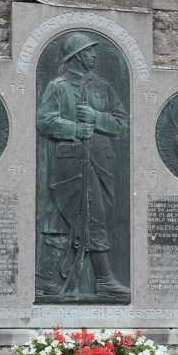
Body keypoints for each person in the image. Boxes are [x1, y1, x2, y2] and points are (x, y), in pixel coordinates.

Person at [35, 32, 129, 299]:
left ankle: (102, 280)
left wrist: (97, 117)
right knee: (60, 219)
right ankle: (50, 278)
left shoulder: (102, 87)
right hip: (69, 165)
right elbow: (45, 122)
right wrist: (75, 128)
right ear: (77, 56)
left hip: (100, 163)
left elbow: (122, 123)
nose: (93, 56)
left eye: (94, 52)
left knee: (99, 216)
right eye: (89, 52)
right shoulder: (58, 86)